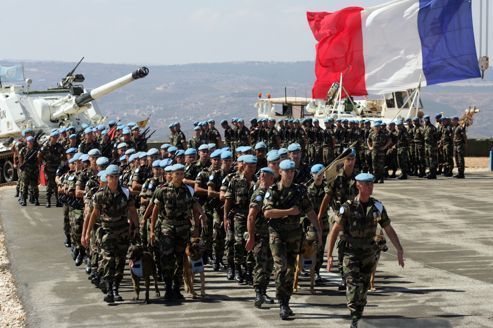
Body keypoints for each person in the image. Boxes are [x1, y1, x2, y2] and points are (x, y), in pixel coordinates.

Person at [326, 173, 404, 328]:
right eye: (366, 184)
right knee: (354, 287)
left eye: (371, 184)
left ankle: (358, 315)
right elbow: (335, 231)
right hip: (351, 253)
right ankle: (354, 318)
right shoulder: (347, 207)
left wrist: (399, 249)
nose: (370, 186)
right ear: (358, 185)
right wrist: (329, 255)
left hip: (369, 254)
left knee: (363, 290)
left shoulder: (377, 206)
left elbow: (387, 228)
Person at [263, 159, 322, 320]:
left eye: (292, 171)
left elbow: (309, 211)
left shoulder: (300, 191)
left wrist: (318, 230)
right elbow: (267, 213)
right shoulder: (273, 190)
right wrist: (289, 211)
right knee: (281, 267)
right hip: (277, 235)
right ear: (280, 172)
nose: (289, 174)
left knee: (290, 270)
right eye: (286, 171)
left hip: (294, 236)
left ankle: (285, 302)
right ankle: (282, 302)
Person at [83, 164, 140, 303]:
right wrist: (87, 233)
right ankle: (109, 290)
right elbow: (94, 214)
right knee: (108, 260)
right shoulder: (100, 195)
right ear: (106, 178)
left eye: (116, 177)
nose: (114, 180)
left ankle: (116, 289)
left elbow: (132, 211)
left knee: (120, 261)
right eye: (111, 177)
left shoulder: (125, 193)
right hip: (107, 232)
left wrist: (137, 227)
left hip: (122, 232)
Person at [150, 163, 205, 301]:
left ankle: (176, 288)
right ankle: (168, 288)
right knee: (166, 258)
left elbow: (194, 205)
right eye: (177, 174)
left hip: (182, 229)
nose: (180, 176)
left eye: (182, 174)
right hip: (166, 228)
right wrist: (151, 229)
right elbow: (155, 210)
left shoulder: (187, 190)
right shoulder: (162, 190)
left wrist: (200, 219)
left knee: (180, 259)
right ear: (171, 175)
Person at [246, 167, 275, 308]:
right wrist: (251, 237)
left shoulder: (273, 193)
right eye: (262, 175)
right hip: (260, 235)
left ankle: (263, 292)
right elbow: (251, 216)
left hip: (272, 235)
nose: (262, 176)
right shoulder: (259, 194)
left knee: (269, 266)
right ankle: (258, 293)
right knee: (260, 265)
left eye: (266, 175)